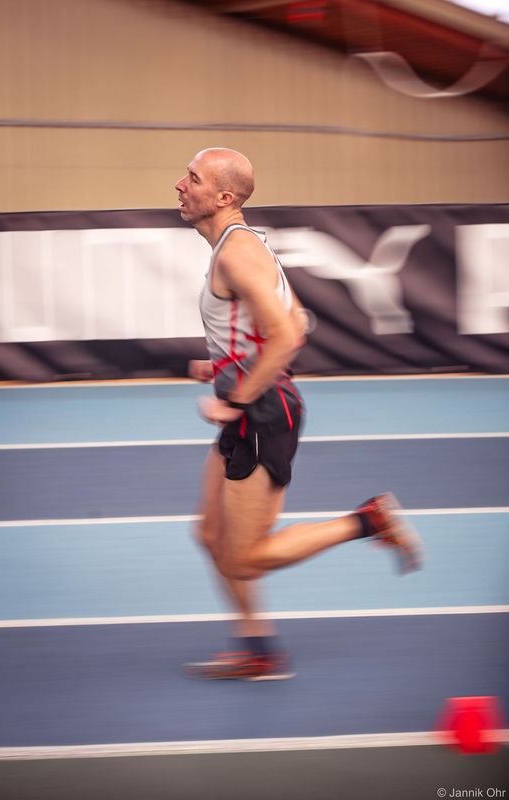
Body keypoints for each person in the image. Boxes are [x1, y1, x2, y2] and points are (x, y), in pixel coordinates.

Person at [176, 147, 422, 681]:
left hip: (262, 415)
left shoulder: (237, 254)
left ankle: (368, 520)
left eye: (193, 178)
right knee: (210, 535)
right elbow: (298, 320)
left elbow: (287, 336)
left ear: (224, 196)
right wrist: (222, 365)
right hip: (254, 408)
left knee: (243, 557)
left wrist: (236, 397)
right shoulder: (242, 245)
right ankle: (257, 648)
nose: (180, 185)